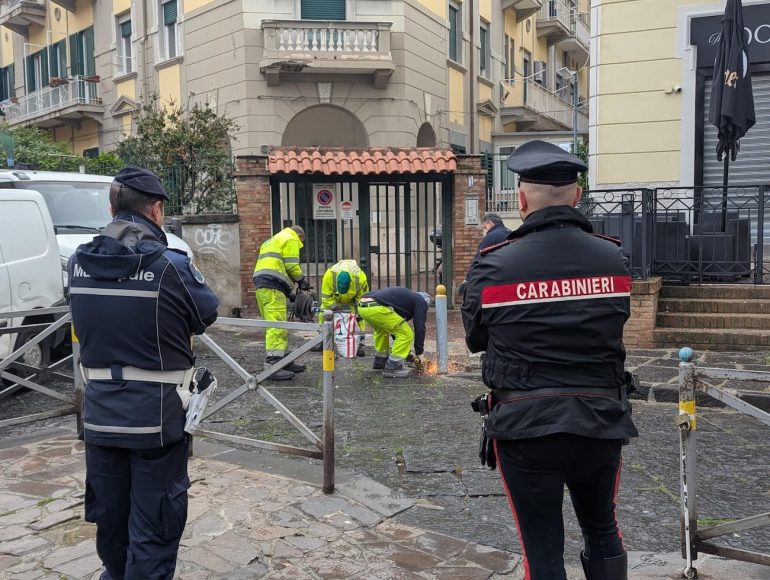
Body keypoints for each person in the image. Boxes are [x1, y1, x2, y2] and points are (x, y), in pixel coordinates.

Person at [461, 140, 638, 580]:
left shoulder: (493, 265)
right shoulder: (613, 257)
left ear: (521, 200)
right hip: (600, 420)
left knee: (541, 551)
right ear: (577, 195)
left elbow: (475, 339)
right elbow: (615, 322)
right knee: (603, 530)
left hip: (525, 425)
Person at [68, 167, 220, 579]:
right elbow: (206, 314)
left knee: (111, 523)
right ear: (156, 210)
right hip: (155, 421)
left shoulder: (78, 262)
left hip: (99, 418)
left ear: (111, 209)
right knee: (154, 528)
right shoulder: (170, 265)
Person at [252, 225, 309, 380]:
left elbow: (276, 265)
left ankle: (283, 359)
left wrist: (289, 292)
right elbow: (291, 265)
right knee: (276, 324)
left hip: (263, 284)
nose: (300, 245)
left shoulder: (272, 240)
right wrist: (301, 280)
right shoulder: (291, 238)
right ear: (300, 236)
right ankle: (273, 365)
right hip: (273, 285)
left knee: (274, 323)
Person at [356, 287, 430, 378]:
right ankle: (393, 367)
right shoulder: (421, 301)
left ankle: (380, 361)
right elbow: (419, 328)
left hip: (362, 306)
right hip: (377, 308)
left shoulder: (404, 299)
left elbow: (394, 330)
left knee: (382, 331)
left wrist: (408, 353)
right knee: (406, 334)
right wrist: (419, 353)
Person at [319, 259, 369, 357]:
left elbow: (362, 299)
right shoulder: (329, 275)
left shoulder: (360, 278)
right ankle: (323, 340)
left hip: (351, 301)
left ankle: (359, 342)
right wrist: (335, 308)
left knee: (359, 318)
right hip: (334, 300)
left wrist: (359, 312)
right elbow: (325, 297)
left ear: (350, 282)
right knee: (324, 313)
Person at [458, 213, 511, 296]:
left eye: (485, 227)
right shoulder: (511, 233)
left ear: (490, 223)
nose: (486, 231)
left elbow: (478, 260)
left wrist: (467, 279)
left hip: (495, 278)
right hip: (510, 277)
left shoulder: (491, 236)